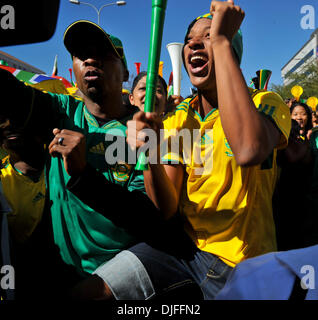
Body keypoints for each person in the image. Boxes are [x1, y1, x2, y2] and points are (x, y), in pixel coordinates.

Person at [64, 0, 291, 300]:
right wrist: (152, 153)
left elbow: (249, 149)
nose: (194, 43)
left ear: (230, 50)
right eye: (188, 40)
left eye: (209, 35)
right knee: (87, 294)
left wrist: (222, 41)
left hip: (242, 264)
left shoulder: (264, 101)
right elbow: (166, 207)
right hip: (183, 250)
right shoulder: (179, 118)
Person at [0, 20, 149, 289]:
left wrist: (83, 176)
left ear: (126, 72)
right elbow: (8, 93)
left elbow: (145, 218)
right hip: (58, 277)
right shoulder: (60, 111)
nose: (91, 60)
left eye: (104, 54)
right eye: (81, 55)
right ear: (74, 70)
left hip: (114, 286)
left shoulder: (142, 133)